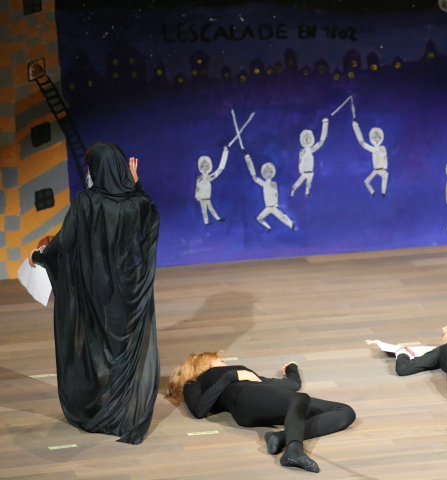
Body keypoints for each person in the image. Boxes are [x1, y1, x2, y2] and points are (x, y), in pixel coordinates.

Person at [29, 142, 160, 444]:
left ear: (96, 169)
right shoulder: (137, 202)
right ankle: (122, 407)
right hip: (130, 288)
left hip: (95, 287)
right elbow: (150, 216)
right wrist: (136, 185)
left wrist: (38, 256)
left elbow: (64, 243)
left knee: (96, 344)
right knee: (123, 343)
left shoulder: (86, 201)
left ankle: (101, 404)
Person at [166, 351, 356, 473]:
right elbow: (199, 410)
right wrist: (230, 375)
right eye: (220, 360)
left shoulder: (242, 374)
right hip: (244, 398)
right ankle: (294, 450)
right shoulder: (196, 382)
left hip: (260, 400)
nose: (224, 362)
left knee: (344, 412)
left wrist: (292, 369)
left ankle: (280, 438)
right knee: (300, 399)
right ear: (204, 364)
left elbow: (292, 385)